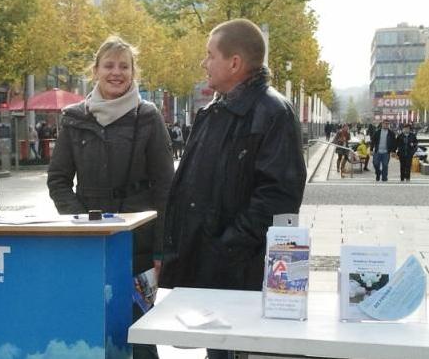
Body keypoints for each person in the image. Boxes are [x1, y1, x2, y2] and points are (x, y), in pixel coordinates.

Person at [158, 19, 306, 359]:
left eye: (210, 55)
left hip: (238, 271)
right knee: (218, 351)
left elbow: (277, 198)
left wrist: (224, 247)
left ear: (235, 63)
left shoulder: (273, 112)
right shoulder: (214, 111)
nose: (204, 63)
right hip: (212, 266)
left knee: (234, 351)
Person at [47, 35, 174, 359]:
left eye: (124, 66)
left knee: (139, 328)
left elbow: (164, 187)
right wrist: (82, 221)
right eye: (109, 65)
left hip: (138, 241)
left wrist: (161, 248)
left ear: (134, 72)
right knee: (89, 324)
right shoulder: (74, 118)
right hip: (89, 240)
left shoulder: (148, 116)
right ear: (96, 71)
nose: (116, 72)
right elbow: (59, 180)